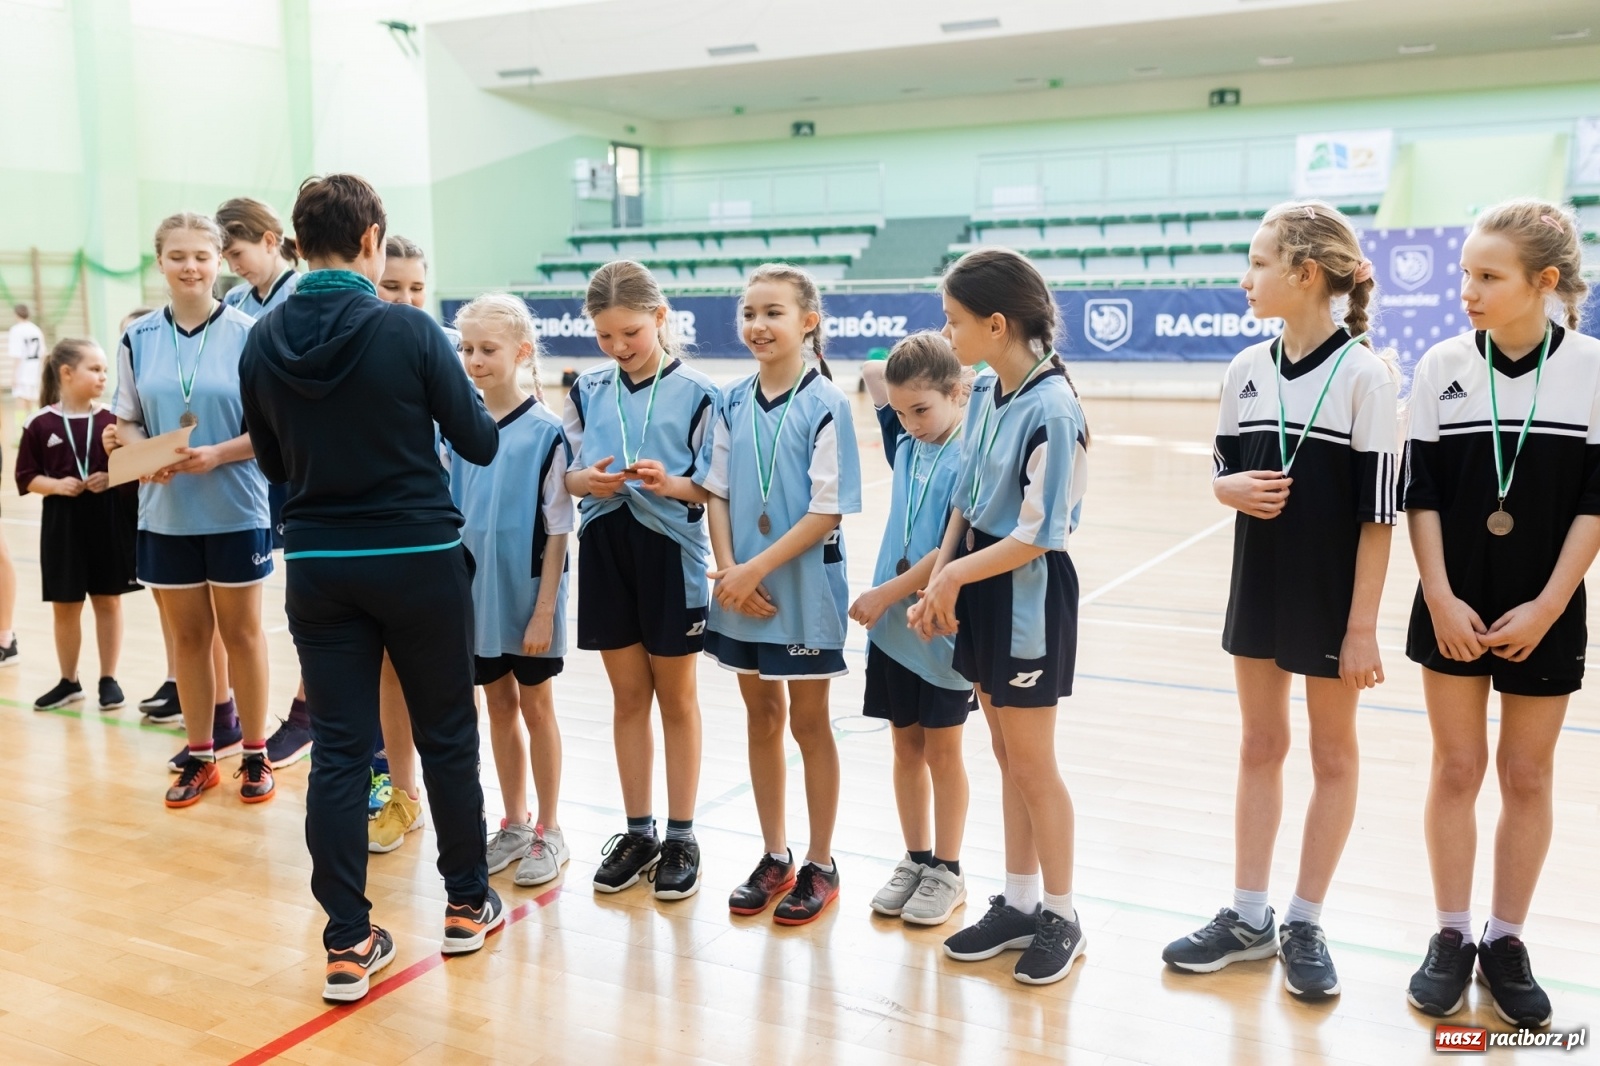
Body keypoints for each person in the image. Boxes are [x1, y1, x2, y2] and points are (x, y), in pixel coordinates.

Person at [239, 173, 504, 1003]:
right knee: (447, 738)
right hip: (419, 557)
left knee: (343, 753)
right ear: (370, 240)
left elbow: (276, 465)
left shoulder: (260, 341)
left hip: (318, 568)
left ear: (294, 242)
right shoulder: (411, 330)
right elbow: (480, 443)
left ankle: (348, 944)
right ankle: (467, 904)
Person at [1161, 201, 1397, 1001]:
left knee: (1332, 755)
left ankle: (1304, 919)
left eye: (1260, 262)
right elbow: (1222, 469)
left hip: (1333, 603)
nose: (1246, 277)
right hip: (1259, 585)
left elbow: (1378, 518)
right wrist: (1223, 488)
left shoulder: (1367, 376)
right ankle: (1249, 916)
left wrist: (1362, 628)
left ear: (1305, 274)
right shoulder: (1244, 370)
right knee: (1260, 745)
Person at [1399, 199, 1598, 1029]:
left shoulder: (1590, 368)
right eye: (1465, 275)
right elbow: (1424, 495)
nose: (1468, 292)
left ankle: (1506, 940)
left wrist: (1550, 607)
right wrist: (1441, 597)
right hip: (1453, 602)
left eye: (1488, 277)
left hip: (1545, 609)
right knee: (1455, 768)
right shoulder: (1441, 363)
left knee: (1527, 776)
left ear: (1543, 282)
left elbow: (1594, 502)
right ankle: (1450, 934)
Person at [910, 247, 1089, 986]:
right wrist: (941, 579)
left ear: (995, 322)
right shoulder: (985, 392)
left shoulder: (1055, 408)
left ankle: (1064, 913)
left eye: (954, 322)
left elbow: (1040, 533)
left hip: (1026, 596)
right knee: (1007, 756)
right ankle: (1018, 903)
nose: (947, 335)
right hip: (979, 584)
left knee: (1034, 762)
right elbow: (964, 497)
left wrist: (953, 574)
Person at [700, 263, 861, 925]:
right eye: (749, 314)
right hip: (742, 586)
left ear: (808, 321)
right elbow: (716, 491)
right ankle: (775, 855)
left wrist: (751, 570)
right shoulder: (731, 400)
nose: (758, 326)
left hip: (801, 588)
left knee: (808, 722)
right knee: (760, 717)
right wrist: (730, 567)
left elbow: (828, 510)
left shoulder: (827, 402)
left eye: (773, 313)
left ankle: (821, 863)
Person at [564, 260, 718, 900]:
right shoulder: (586, 389)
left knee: (676, 698)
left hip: (670, 552)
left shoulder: (702, 393)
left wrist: (669, 481)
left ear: (660, 317)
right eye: (605, 336)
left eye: (630, 332)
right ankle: (639, 831)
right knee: (628, 699)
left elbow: (711, 487)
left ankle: (682, 834)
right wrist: (587, 482)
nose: (619, 347)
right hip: (604, 544)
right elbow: (567, 477)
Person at [109, 213, 273, 808]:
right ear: (160, 262)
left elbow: (270, 428)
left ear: (218, 261)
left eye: (201, 256)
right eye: (177, 256)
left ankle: (254, 754)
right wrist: (137, 452)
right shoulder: (138, 338)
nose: (190, 267)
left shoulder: (249, 332)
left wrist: (216, 455)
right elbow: (124, 419)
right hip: (165, 512)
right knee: (188, 638)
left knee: (243, 634)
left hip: (236, 505)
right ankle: (201, 756)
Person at [852, 333, 972, 927]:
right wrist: (941, 354)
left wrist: (882, 594)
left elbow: (942, 555)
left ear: (958, 393)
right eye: (900, 413)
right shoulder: (907, 443)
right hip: (892, 631)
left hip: (937, 624)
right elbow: (874, 371)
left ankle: (948, 869)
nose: (908, 422)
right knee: (904, 745)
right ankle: (916, 857)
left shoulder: (971, 452)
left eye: (921, 409)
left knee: (943, 752)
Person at [451, 293, 572, 887]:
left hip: (527, 599)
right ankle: (516, 823)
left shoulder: (547, 433)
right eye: (467, 348)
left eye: (488, 349)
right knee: (497, 706)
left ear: (522, 352)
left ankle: (551, 829)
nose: (474, 360)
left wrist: (544, 609)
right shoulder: (455, 428)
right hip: (473, 598)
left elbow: (557, 531)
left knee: (535, 706)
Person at [366, 235, 456, 853]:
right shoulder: (357, 350)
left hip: (449, 538)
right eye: (390, 285)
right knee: (390, 676)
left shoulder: (446, 349)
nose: (404, 298)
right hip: (383, 538)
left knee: (473, 688)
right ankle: (403, 794)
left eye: (416, 288)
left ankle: (506, 813)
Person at [217, 196, 313, 767]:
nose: (233, 265)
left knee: (309, 598)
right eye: (226, 255)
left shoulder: (304, 296)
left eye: (238, 251)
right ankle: (224, 716)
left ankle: (308, 714)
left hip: (299, 464)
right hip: (247, 467)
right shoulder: (230, 303)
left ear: (272, 239)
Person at [15, 339, 140, 710]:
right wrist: (55, 485)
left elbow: (131, 470)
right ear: (67, 373)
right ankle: (69, 680)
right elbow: (26, 477)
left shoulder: (111, 421)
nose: (103, 377)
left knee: (108, 600)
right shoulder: (39, 423)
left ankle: (108, 679)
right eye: (95, 369)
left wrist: (110, 477)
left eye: (105, 370)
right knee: (65, 604)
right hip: (62, 523)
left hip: (104, 519)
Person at [10, 302, 46, 423]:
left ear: (16, 315)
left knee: (20, 403)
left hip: (22, 371)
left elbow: (17, 355)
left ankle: (21, 434)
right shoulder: (36, 329)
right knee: (34, 403)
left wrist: (14, 375)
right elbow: (43, 353)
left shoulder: (16, 330)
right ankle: (36, 430)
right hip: (35, 371)